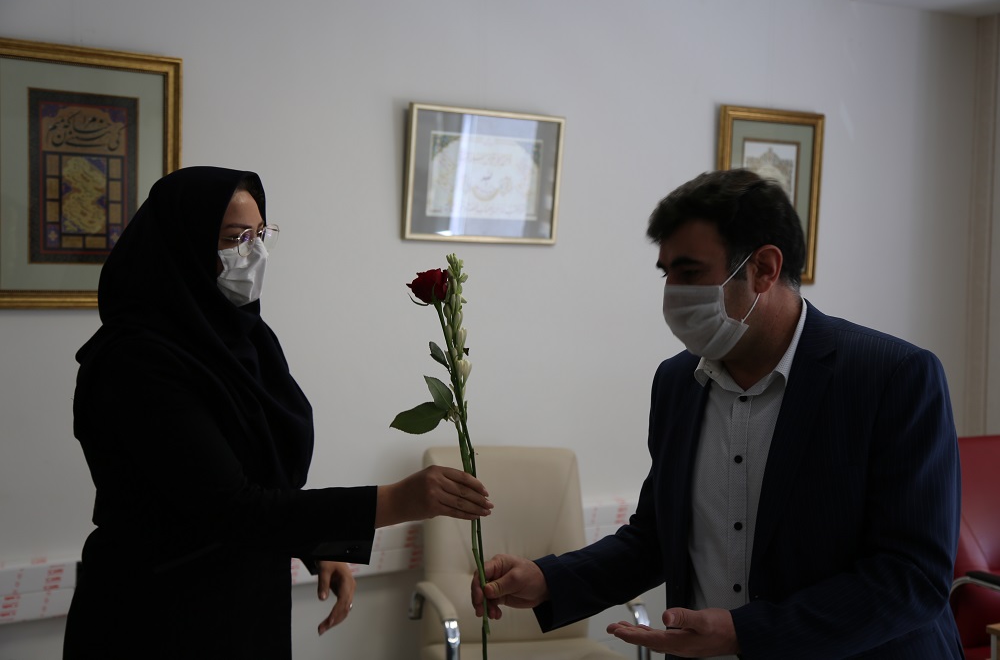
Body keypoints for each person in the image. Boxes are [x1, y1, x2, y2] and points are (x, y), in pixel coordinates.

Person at [471, 169, 962, 659]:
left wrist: (746, 633)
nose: (673, 294)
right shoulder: (677, 383)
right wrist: (549, 579)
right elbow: (657, 538)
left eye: (690, 273)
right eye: (667, 274)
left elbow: (912, 576)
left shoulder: (891, 377)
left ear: (764, 268)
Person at [64, 166, 493, 659]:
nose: (254, 253)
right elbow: (229, 505)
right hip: (157, 614)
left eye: (260, 234)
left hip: (244, 598)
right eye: (235, 238)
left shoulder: (243, 339)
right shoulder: (135, 362)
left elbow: (259, 475)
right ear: (182, 245)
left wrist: (314, 544)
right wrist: (396, 500)